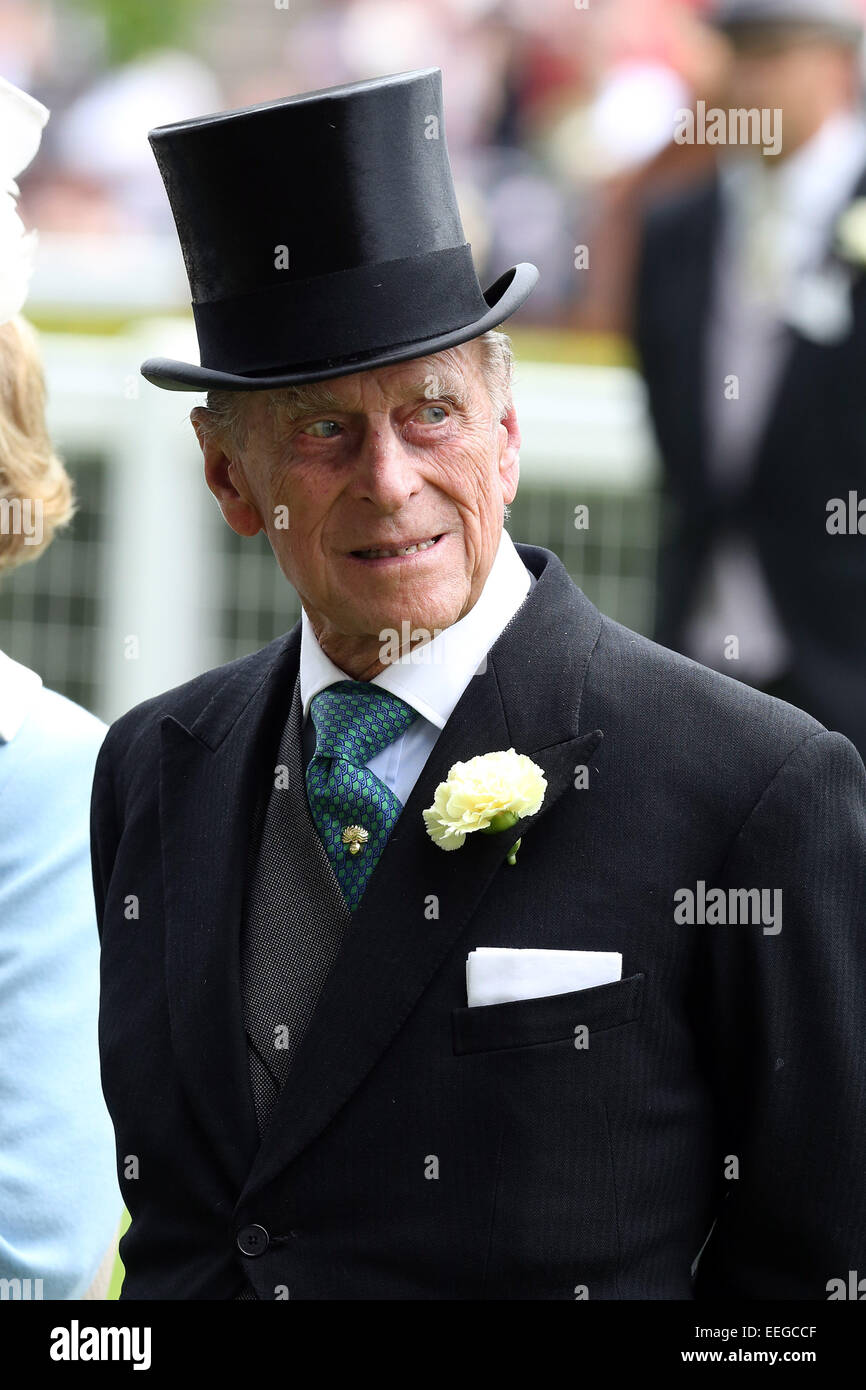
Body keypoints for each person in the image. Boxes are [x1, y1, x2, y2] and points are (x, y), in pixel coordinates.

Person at [92, 68, 866, 1300]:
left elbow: (821, 1276)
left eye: (431, 412)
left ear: (506, 437)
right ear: (231, 480)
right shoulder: (149, 768)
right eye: (321, 430)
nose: (389, 479)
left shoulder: (752, 788)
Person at [635, 0, 866, 760]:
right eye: (734, 52)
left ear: (838, 66)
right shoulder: (674, 230)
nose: (744, 79)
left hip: (845, 657)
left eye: (771, 52)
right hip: (693, 653)